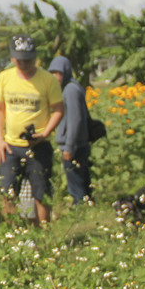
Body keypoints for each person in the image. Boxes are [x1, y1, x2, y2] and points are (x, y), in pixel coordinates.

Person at [0, 34, 64, 225]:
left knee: (41, 193)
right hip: (10, 146)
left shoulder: (48, 80)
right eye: (19, 59)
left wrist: (46, 132)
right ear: (11, 58)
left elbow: (58, 110)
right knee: (7, 192)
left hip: (38, 145)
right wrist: (0, 139)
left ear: (35, 57)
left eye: (27, 59)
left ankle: (45, 236)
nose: (23, 63)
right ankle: (14, 236)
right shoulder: (4, 78)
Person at [49, 55, 93, 207]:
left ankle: (79, 208)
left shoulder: (70, 90)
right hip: (76, 142)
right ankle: (86, 205)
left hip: (74, 143)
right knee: (81, 176)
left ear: (66, 71)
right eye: (52, 73)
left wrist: (69, 146)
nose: (55, 77)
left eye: (58, 73)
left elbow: (75, 120)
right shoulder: (69, 88)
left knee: (75, 179)